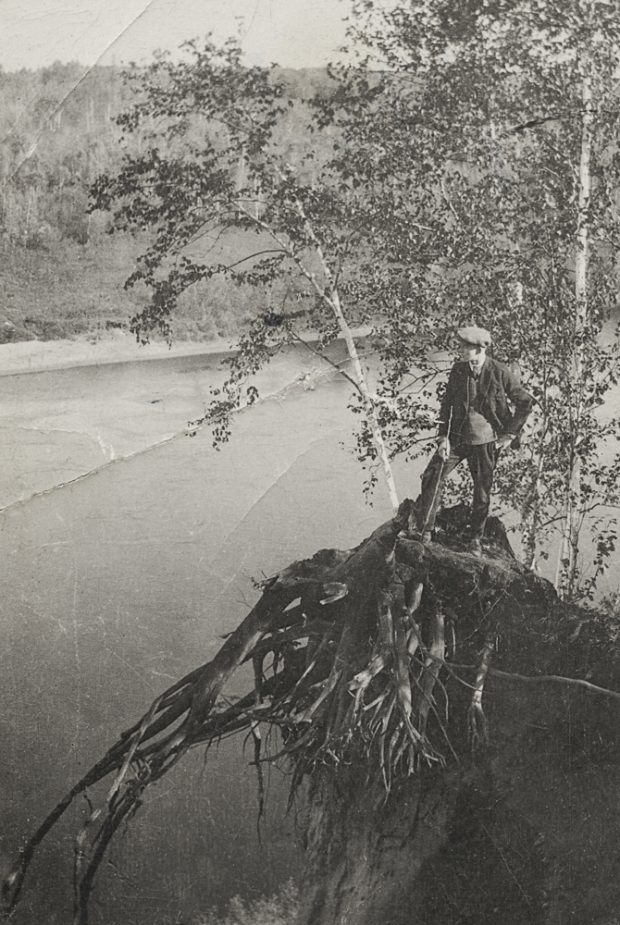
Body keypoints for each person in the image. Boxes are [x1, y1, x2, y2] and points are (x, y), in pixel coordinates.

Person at [411, 325, 533, 556]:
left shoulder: (499, 371)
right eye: (461, 346)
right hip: (457, 439)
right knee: (432, 475)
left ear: (478, 349)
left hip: (486, 442)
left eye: (465, 347)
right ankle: (424, 530)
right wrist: (442, 437)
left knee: (482, 492)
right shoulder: (458, 370)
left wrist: (510, 434)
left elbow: (525, 402)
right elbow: (446, 405)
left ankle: (475, 538)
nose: (460, 350)